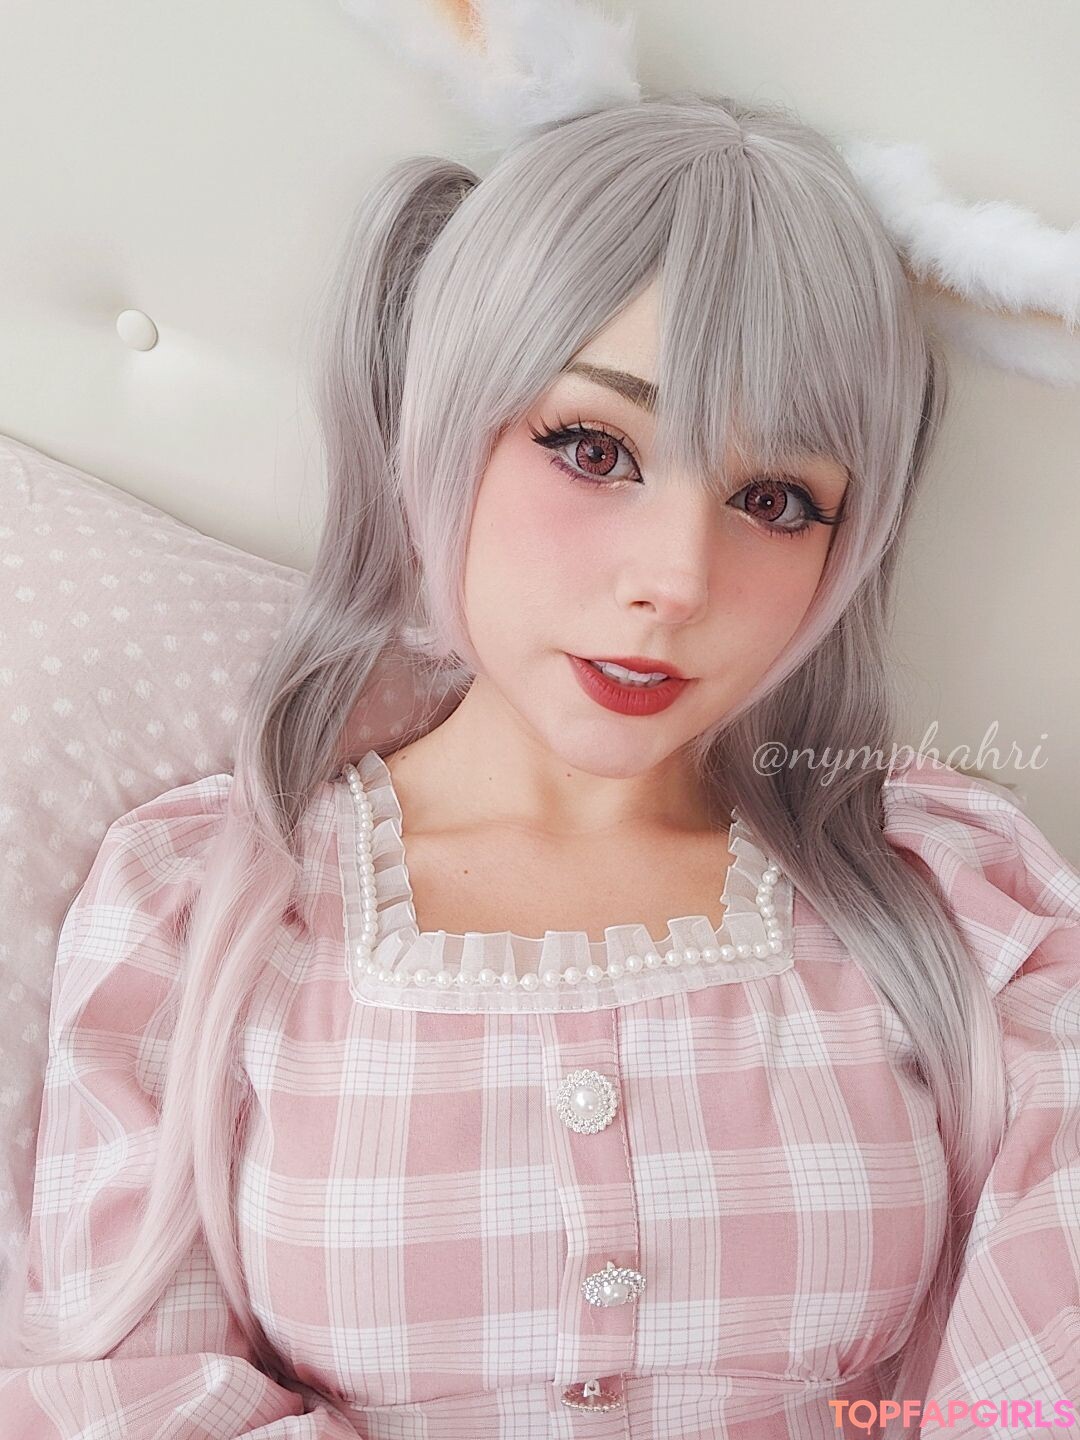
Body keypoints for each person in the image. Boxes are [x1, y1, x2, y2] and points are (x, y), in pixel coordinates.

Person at [1, 94, 1078, 1440]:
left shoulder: (958, 904)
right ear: (442, 426)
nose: (677, 580)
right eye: (593, 449)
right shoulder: (200, 912)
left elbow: (1038, 1391)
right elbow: (129, 1399)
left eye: (775, 500)